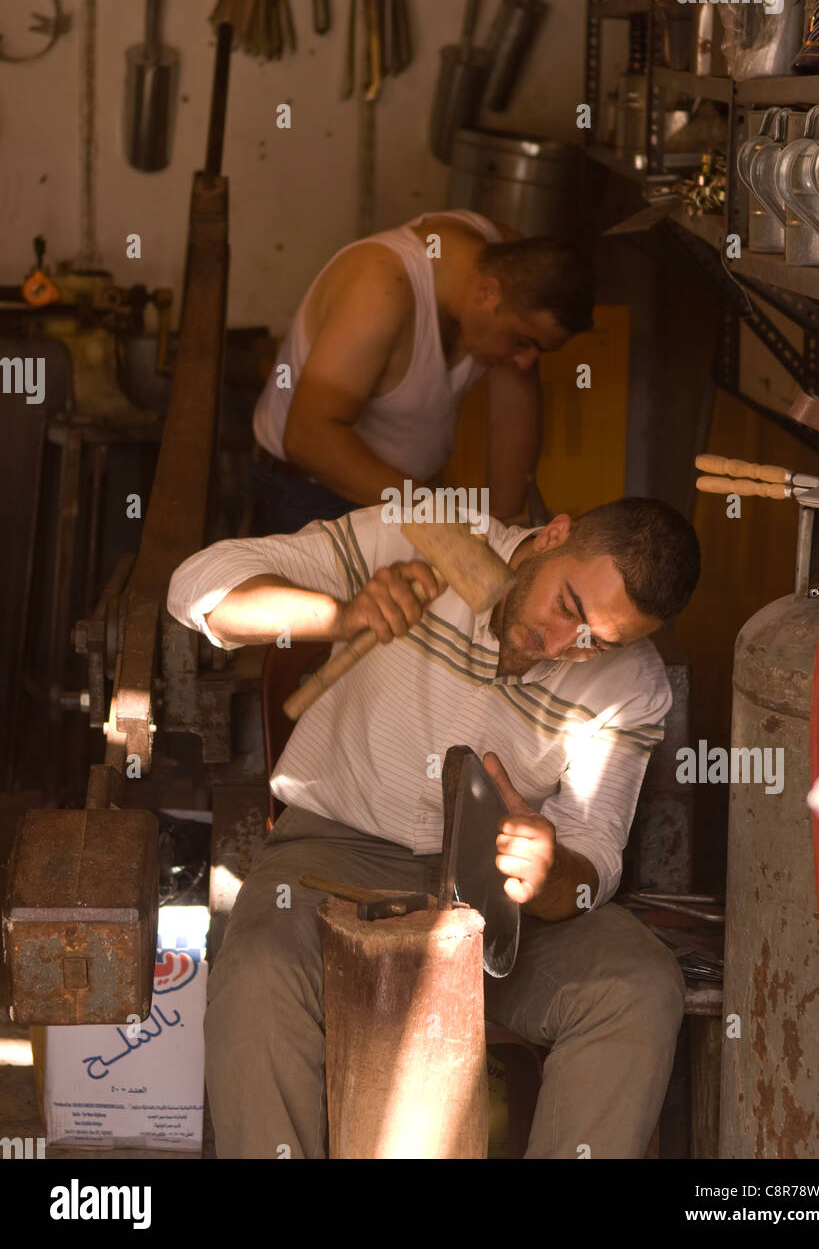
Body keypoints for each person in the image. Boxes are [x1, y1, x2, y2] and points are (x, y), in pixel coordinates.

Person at [166, 495, 701, 1159]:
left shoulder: (635, 685)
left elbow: (594, 851)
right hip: (331, 857)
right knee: (258, 975)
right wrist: (342, 612)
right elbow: (196, 589)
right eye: (568, 607)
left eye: (600, 641)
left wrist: (551, 870)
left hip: (492, 899)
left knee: (638, 986)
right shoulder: (424, 533)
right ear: (553, 535)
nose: (563, 646)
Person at [249, 210, 594, 532]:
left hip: (405, 499)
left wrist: (506, 528)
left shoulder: (510, 267)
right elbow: (308, 438)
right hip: (307, 495)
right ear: (486, 292)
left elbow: (513, 413)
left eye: (539, 349)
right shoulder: (379, 289)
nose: (526, 362)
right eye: (522, 341)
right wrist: (436, 516)